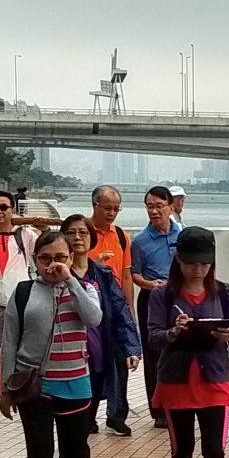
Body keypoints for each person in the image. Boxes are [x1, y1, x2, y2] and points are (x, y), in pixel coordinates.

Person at [0, 229, 103, 458]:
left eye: (60, 257)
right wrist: (6, 387)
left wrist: (70, 280)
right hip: (35, 386)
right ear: (35, 260)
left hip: (75, 383)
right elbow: (9, 340)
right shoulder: (24, 292)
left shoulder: (85, 288)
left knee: (74, 456)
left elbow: (94, 319)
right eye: (45, 258)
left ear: (71, 258)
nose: (52, 264)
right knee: (40, 456)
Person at [146, 225, 229, 458]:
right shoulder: (162, 295)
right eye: (191, 263)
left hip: (213, 380)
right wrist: (173, 332)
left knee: (215, 451)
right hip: (176, 383)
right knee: (182, 451)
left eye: (204, 263)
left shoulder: (224, 292)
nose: (198, 270)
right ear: (179, 260)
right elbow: (153, 337)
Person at [60, 213, 141, 458]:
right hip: (64, 363)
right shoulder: (55, 274)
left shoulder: (102, 275)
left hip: (95, 360)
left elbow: (119, 311)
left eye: (83, 232)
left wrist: (131, 347)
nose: (77, 238)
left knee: (83, 423)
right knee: (76, 425)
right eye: (71, 232)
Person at [129, 186, 182, 422]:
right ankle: (158, 410)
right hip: (152, 299)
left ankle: (179, 403)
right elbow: (134, 274)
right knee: (154, 354)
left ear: (171, 207)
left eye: (159, 206)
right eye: (149, 207)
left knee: (180, 350)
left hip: (179, 298)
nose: (154, 211)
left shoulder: (182, 235)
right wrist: (150, 284)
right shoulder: (140, 241)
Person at [87, 185, 137, 435]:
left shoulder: (121, 235)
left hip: (115, 307)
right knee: (92, 363)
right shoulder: (83, 233)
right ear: (95, 205)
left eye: (116, 209)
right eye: (107, 208)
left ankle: (117, 415)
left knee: (120, 361)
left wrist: (129, 310)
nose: (112, 213)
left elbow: (126, 275)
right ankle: (88, 415)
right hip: (90, 305)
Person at [0, 190, 44, 321]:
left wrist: (45, 230)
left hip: (20, 300)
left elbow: (44, 253)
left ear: (13, 210)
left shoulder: (25, 234)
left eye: (4, 207)